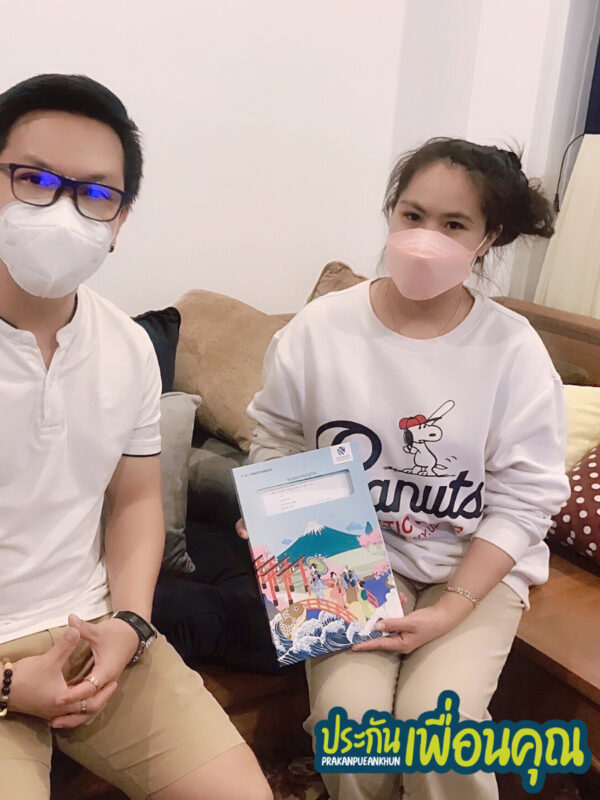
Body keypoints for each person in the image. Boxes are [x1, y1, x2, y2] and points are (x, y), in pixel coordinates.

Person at [0, 73, 271, 800]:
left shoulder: (127, 348)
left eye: (96, 193)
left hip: (93, 627)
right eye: (35, 180)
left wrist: (131, 623)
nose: (65, 210)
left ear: (119, 220)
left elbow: (136, 502)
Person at [238, 137, 569, 800]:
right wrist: (275, 504)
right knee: (352, 734)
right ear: (390, 213)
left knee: (438, 733)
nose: (425, 239)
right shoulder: (319, 329)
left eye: (454, 224)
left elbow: (527, 498)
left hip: (469, 567)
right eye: (413, 215)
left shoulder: (513, 350)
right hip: (345, 563)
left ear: (488, 238)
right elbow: (276, 434)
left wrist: (451, 609)